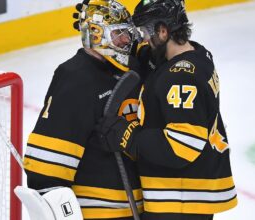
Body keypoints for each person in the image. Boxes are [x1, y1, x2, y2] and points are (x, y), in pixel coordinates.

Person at [95, 0, 238, 219]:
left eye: (145, 31)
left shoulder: (180, 77)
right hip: (189, 193)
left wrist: (128, 136)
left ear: (163, 31)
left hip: (181, 198)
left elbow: (182, 145)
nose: (143, 39)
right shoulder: (198, 55)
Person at [23, 0, 144, 219]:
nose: (127, 40)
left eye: (128, 34)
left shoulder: (125, 68)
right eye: (119, 34)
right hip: (99, 213)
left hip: (133, 208)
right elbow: (46, 170)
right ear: (97, 35)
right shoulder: (76, 77)